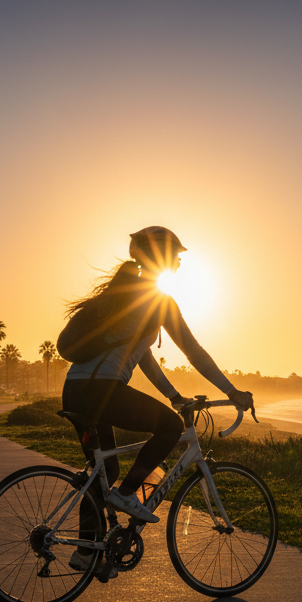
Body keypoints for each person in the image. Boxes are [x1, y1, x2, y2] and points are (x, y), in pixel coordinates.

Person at [61, 226, 252, 571]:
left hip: (76, 389)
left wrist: (174, 395)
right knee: (170, 427)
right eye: (175, 255)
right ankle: (127, 494)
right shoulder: (156, 300)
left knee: (104, 470)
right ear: (161, 257)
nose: (179, 262)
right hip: (100, 390)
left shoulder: (125, 295)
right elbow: (194, 351)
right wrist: (232, 392)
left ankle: (86, 554)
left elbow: (142, 357)